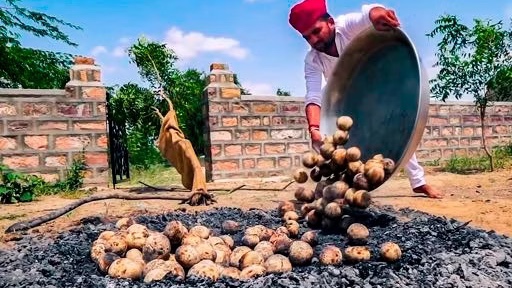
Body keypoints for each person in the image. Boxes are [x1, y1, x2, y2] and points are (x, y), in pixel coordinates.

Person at [288, 0, 443, 198]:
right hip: (348, 99)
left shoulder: (346, 26)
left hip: (378, 85)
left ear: (330, 22)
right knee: (339, 147)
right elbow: (313, 95)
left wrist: (378, 14)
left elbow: (368, 13)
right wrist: (314, 130)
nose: (313, 40)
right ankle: (341, 185)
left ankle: (419, 182)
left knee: (398, 131)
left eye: (316, 31)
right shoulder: (313, 60)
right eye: (307, 37)